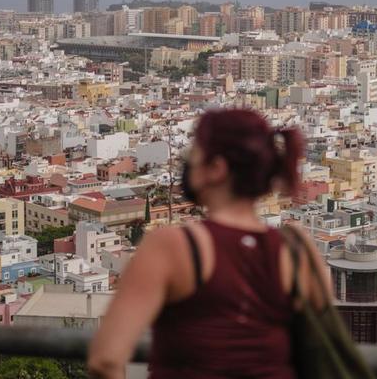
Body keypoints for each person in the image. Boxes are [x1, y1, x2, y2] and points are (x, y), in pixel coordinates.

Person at [88, 108, 330, 378]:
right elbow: (318, 352)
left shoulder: (172, 247)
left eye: (195, 153)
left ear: (216, 169)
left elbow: (106, 359)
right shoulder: (299, 252)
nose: (188, 161)